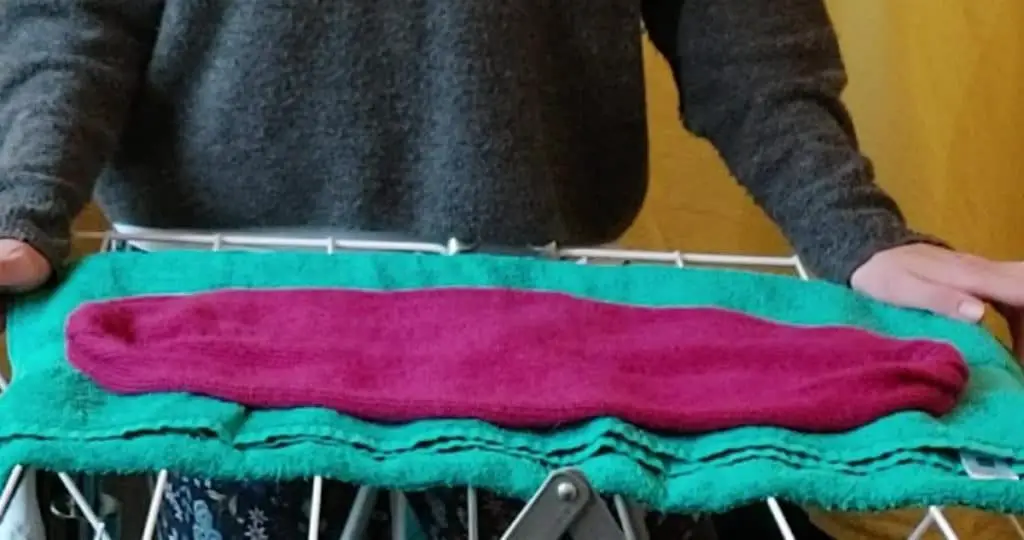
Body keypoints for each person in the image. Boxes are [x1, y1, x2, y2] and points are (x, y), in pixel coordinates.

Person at [2, 0, 1024, 538]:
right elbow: (72, 16)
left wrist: (856, 231)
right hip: (215, 320)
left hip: (532, 327)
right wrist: (24, 206)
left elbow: (745, 37)